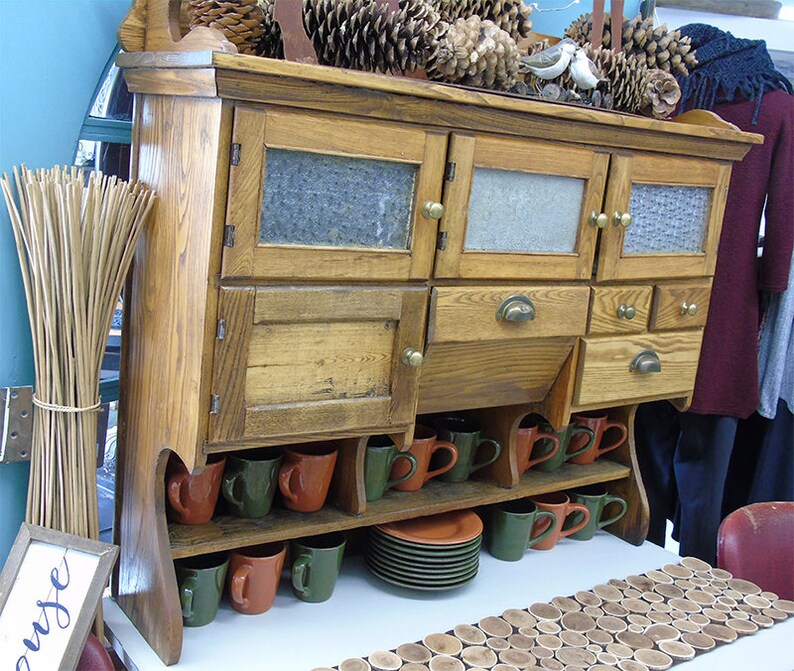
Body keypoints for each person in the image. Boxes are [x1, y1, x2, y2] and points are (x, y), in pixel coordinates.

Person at [635, 24, 794, 564]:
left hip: (651, 284)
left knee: (648, 430)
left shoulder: (667, 87)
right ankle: (697, 572)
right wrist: (769, 287)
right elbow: (784, 208)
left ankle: (638, 553)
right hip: (728, 298)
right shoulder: (772, 100)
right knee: (707, 456)